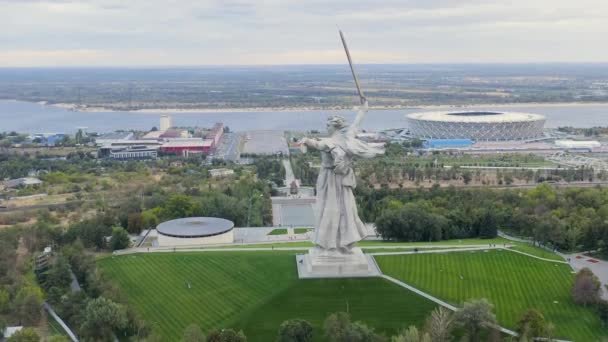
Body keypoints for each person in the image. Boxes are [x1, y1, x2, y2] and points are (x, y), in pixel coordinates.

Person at [300, 101, 384, 254]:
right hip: (342, 179)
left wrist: (305, 140)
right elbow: (355, 126)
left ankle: (330, 244)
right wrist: (363, 111)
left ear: (334, 127)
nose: (326, 127)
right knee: (344, 209)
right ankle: (343, 243)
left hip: (330, 179)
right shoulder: (347, 139)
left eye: (328, 125)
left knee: (330, 209)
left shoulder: (328, 142)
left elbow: (315, 144)